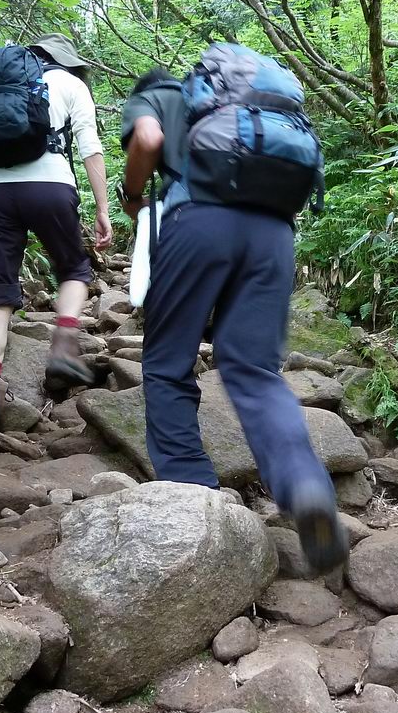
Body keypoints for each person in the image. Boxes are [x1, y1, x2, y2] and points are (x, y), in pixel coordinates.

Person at [119, 65, 347, 574]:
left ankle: (190, 488)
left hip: (197, 221)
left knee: (167, 361)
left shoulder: (157, 98)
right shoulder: (251, 107)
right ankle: (303, 483)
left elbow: (149, 139)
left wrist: (134, 197)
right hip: (273, 235)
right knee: (254, 368)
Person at [0, 33, 113, 427]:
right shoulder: (71, 84)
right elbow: (89, 146)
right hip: (50, 187)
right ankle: (64, 348)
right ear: (67, 62)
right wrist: (103, 208)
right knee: (73, 270)